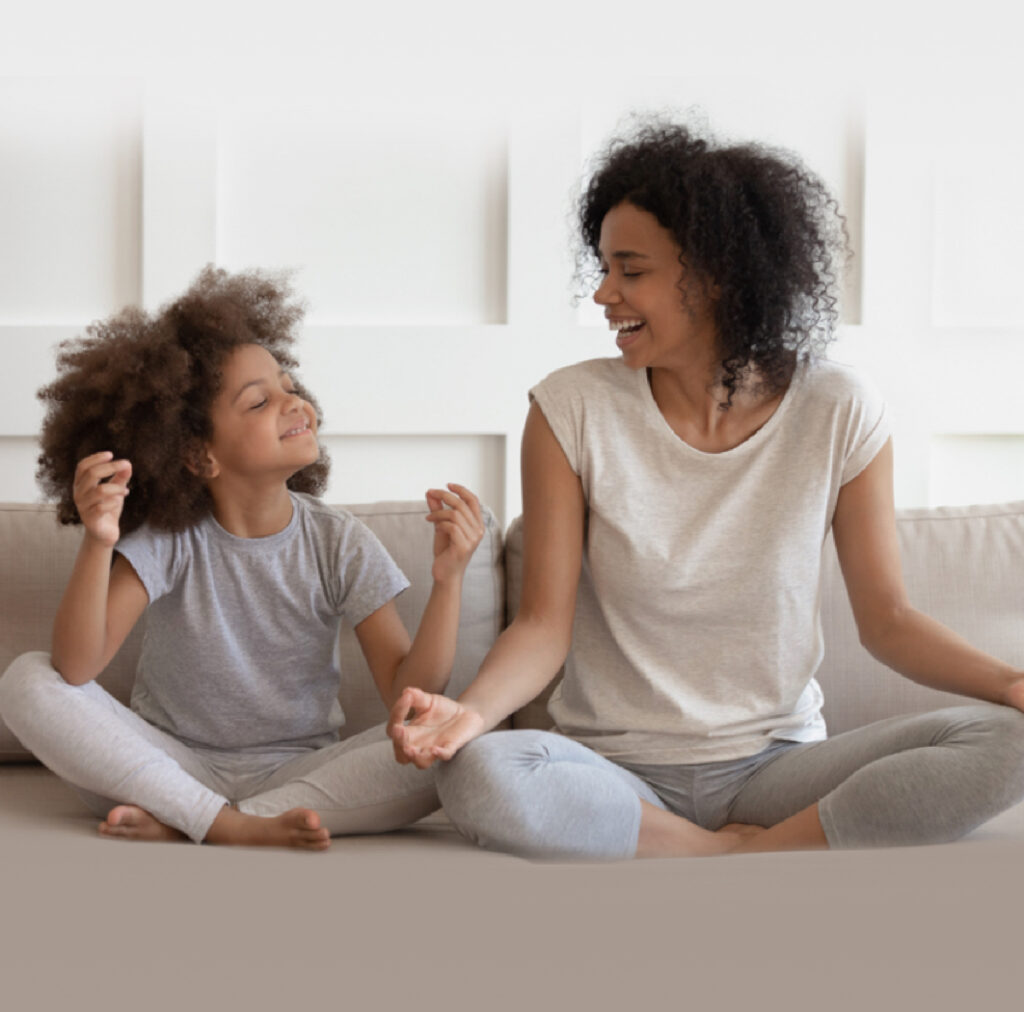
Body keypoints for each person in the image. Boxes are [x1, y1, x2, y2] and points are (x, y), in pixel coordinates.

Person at [387, 119, 1024, 860]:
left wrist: (1013, 681)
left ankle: (754, 846)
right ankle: (727, 855)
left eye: (631, 270)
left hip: (779, 766)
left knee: (1006, 739)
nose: (602, 293)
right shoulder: (570, 409)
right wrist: (468, 715)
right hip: (612, 771)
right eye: (603, 267)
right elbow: (541, 627)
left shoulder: (839, 410)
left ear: (717, 274)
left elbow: (888, 620)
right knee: (479, 769)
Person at [0, 266, 484, 850]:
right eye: (259, 401)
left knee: (454, 737)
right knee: (27, 679)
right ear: (201, 456)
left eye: (287, 384)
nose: (291, 400)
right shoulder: (168, 539)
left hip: (300, 774)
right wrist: (99, 540)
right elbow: (76, 669)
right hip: (166, 764)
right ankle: (224, 822)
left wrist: (449, 579)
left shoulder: (339, 539)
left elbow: (408, 698)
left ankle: (193, 821)